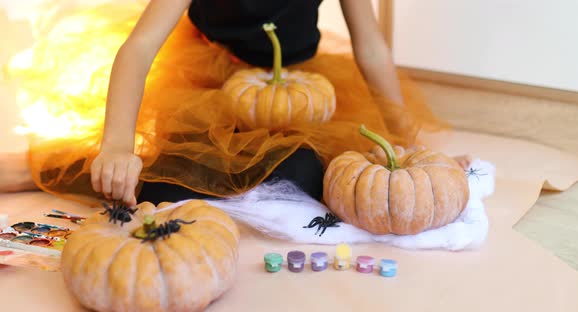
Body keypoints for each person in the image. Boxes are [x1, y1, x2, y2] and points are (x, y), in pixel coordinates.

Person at [0, 0, 470, 207]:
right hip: (209, 83)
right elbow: (140, 47)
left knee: (321, 174)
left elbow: (370, 46)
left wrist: (406, 141)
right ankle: (49, 167)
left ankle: (248, 175)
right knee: (173, 176)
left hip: (297, 86)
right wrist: (118, 143)